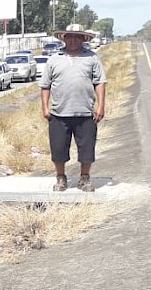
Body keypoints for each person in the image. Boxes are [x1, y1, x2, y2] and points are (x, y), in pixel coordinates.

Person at [39, 23, 107, 192]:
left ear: (84, 39)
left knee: (87, 149)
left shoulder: (92, 58)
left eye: (78, 36)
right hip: (58, 113)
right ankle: (61, 178)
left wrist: (101, 106)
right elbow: (45, 85)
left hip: (85, 113)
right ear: (64, 38)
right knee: (58, 149)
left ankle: (84, 179)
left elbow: (100, 83)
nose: (74, 40)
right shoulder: (54, 59)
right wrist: (45, 108)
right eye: (70, 36)